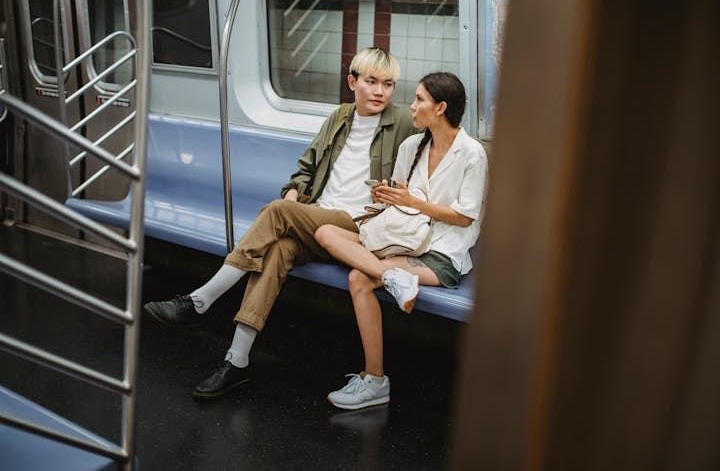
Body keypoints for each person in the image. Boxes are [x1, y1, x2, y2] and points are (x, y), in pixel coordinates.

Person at [143, 47, 419, 400]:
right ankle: (236, 360)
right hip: (318, 219)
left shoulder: (403, 124)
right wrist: (293, 194)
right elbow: (304, 170)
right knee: (277, 249)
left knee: (275, 212)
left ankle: (200, 301)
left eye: (389, 84)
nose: (381, 91)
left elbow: (431, 159)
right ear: (352, 82)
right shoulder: (338, 118)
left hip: (357, 229)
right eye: (371, 82)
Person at [314, 72, 488, 410]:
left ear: (440, 108)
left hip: (441, 252)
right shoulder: (412, 146)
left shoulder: (472, 154)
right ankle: (393, 276)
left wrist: (413, 203)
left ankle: (375, 380)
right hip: (402, 240)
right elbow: (399, 206)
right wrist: (386, 196)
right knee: (324, 233)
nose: (412, 105)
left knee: (359, 278)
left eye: (420, 99)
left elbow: (465, 217)